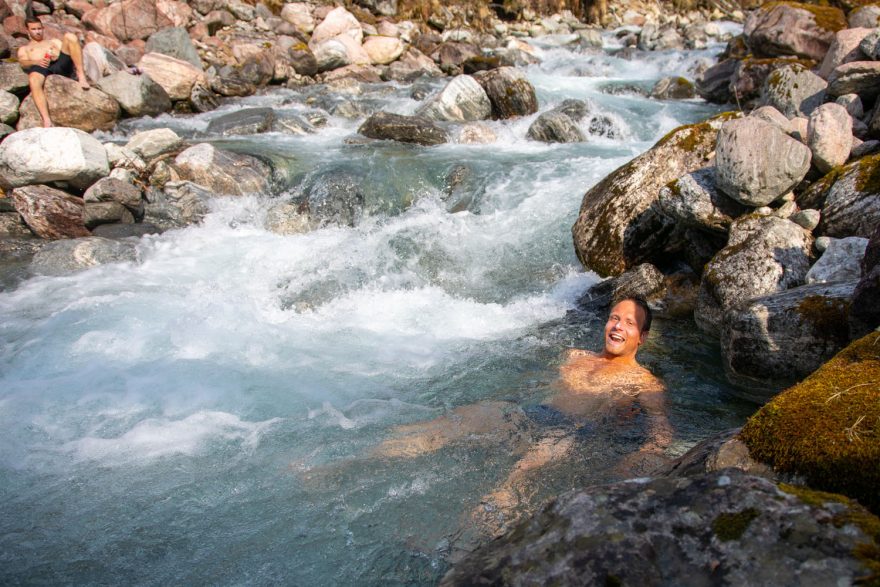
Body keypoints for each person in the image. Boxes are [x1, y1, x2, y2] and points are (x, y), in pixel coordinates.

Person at [333, 297, 673, 535]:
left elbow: (660, 431)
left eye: (629, 323)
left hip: (573, 433)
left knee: (524, 471)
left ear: (641, 338)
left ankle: (470, 538)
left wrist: (641, 457)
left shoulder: (644, 382)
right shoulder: (575, 356)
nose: (618, 325)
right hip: (535, 414)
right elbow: (533, 386)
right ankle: (350, 463)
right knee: (455, 421)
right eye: (614, 317)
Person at [17, 17, 90, 128]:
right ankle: (46, 119)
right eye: (34, 29)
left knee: (70, 37)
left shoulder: (53, 42)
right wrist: (37, 61)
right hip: (42, 68)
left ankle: (81, 76)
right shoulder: (25, 48)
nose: (38, 31)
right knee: (33, 79)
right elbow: (23, 63)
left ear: (43, 28)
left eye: (39, 28)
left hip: (59, 64)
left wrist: (55, 55)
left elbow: (66, 51)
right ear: (28, 31)